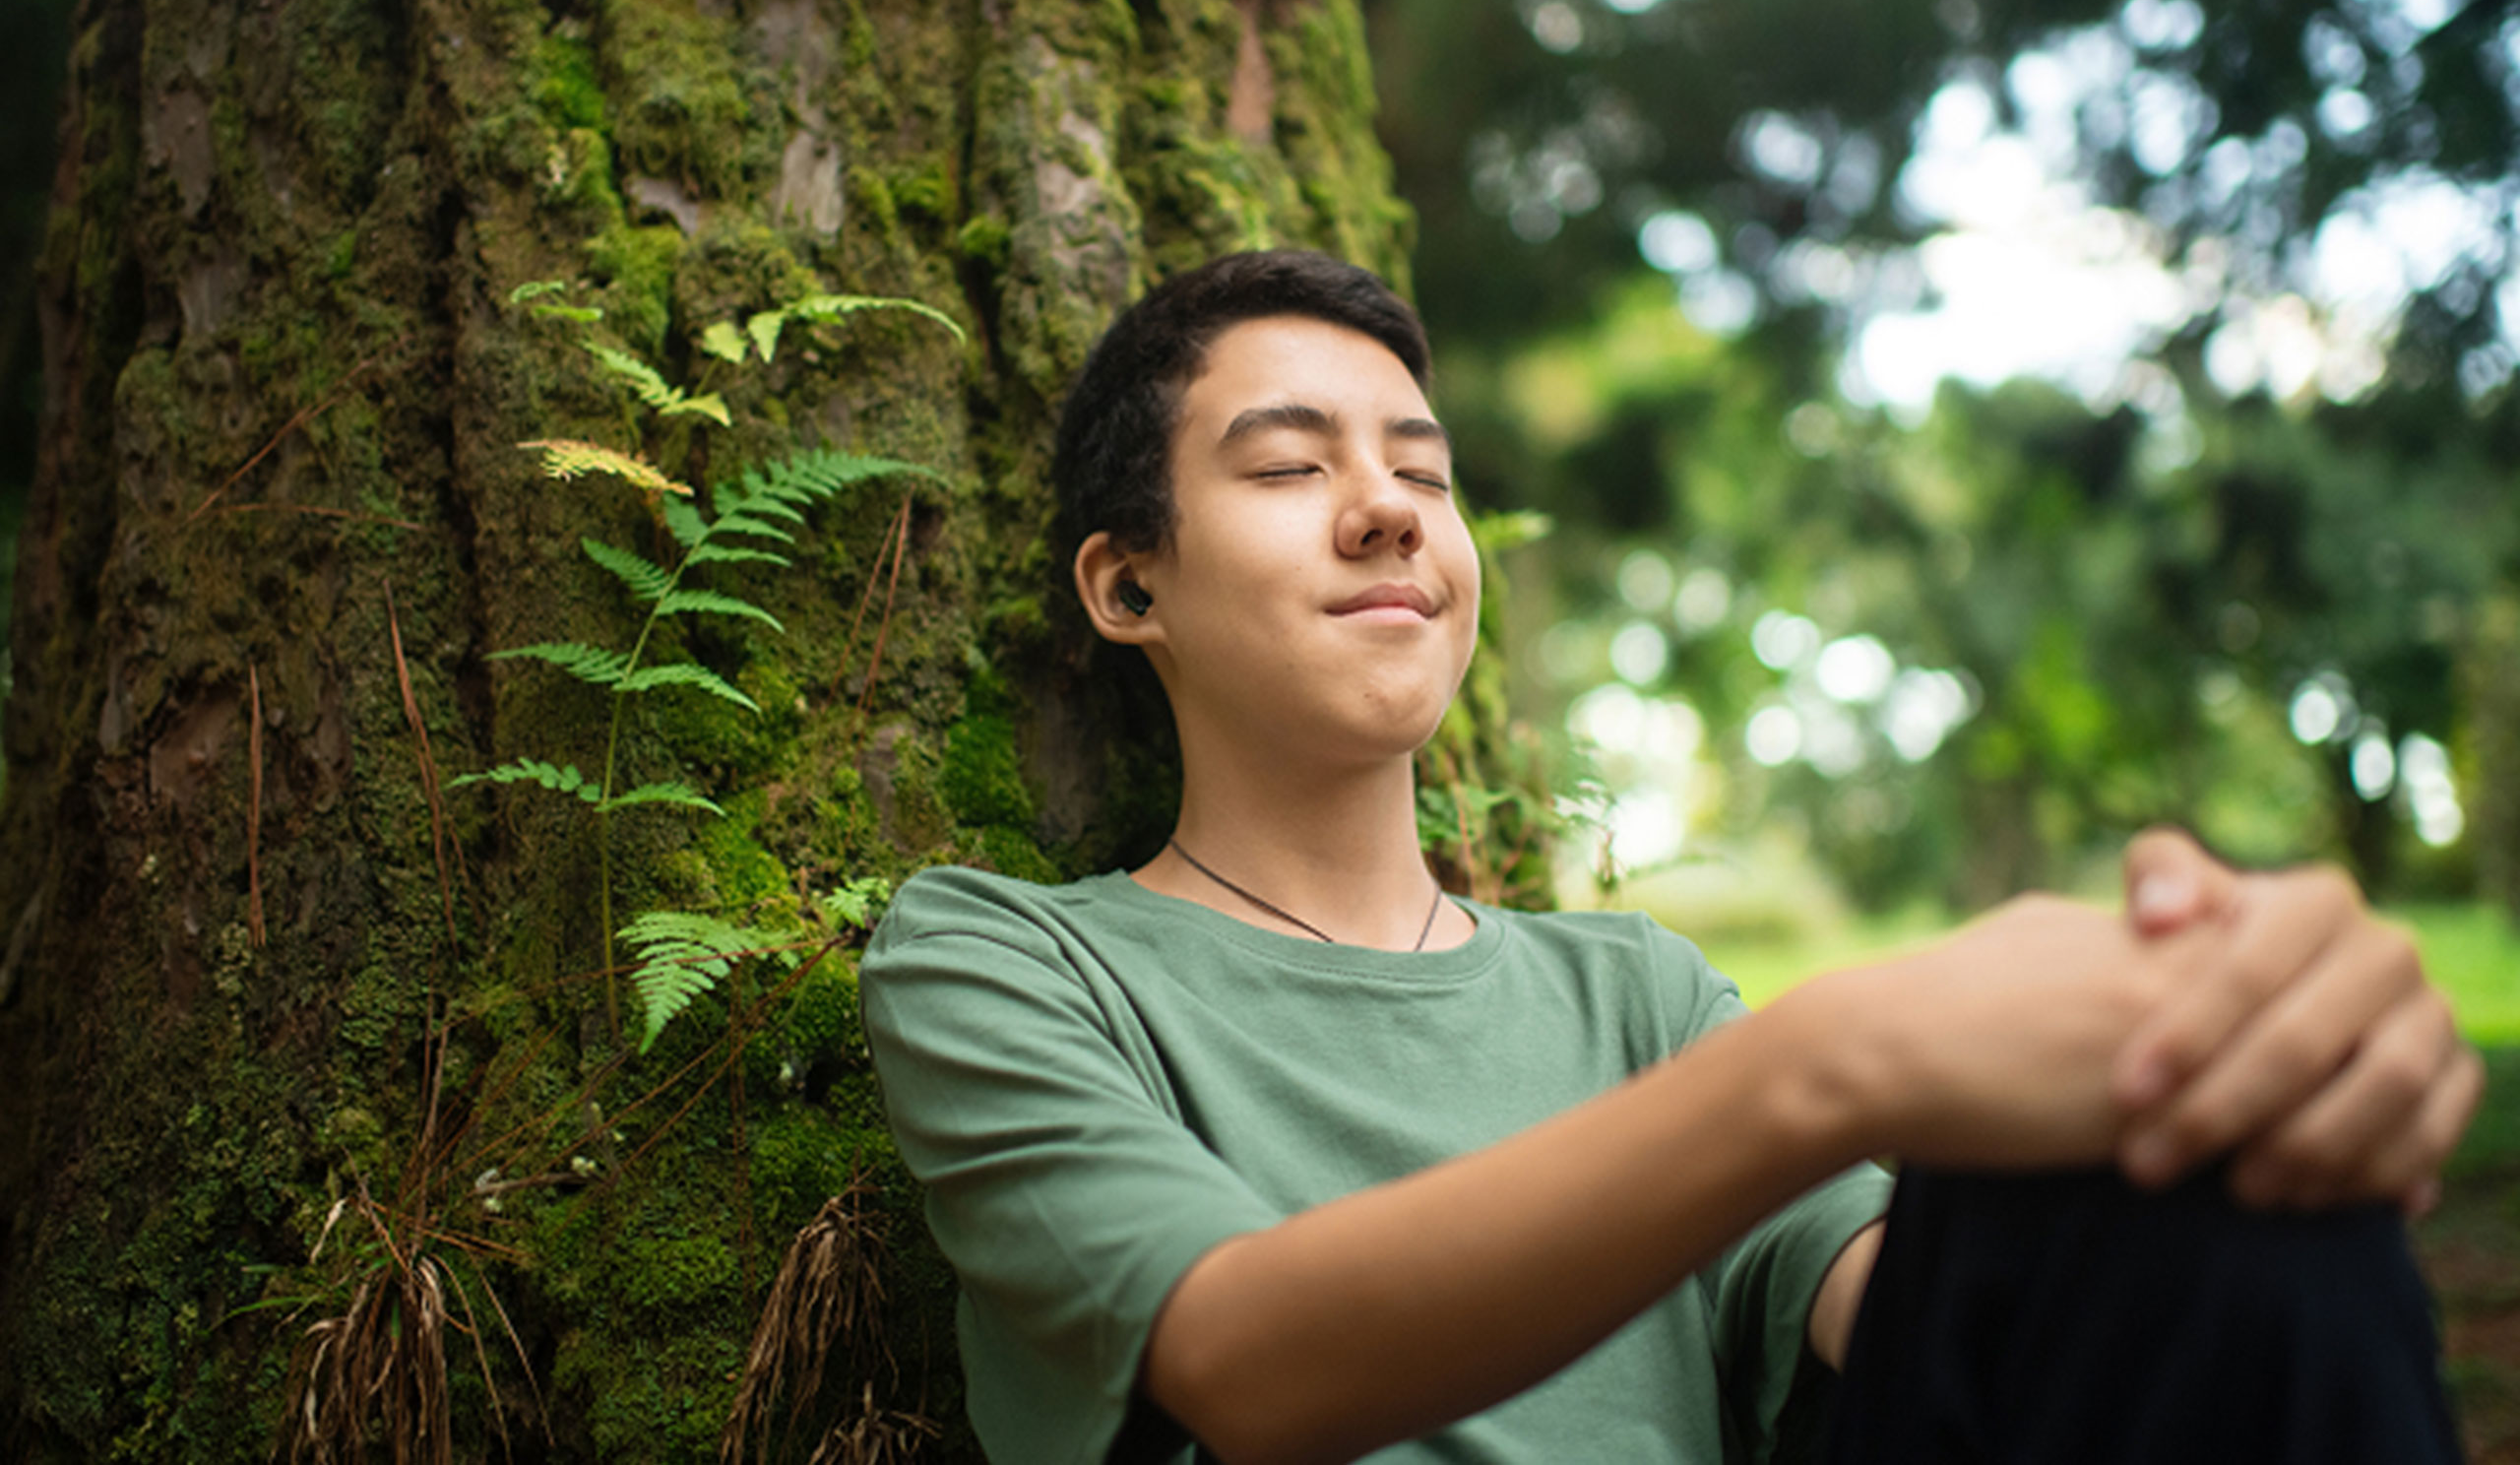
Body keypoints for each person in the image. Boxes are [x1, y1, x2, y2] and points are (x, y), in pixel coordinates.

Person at [860, 249, 2483, 1464]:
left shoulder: (1634, 994)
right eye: (1291, 468)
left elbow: (1946, 1318)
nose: (1389, 511)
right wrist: (1839, 1059)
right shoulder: (1002, 961)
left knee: (2229, 1201)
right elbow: (1243, 1360)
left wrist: (2229, 1047)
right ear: (1128, 586)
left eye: (1423, 470)